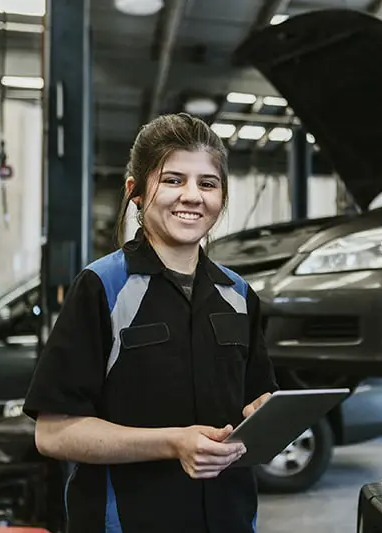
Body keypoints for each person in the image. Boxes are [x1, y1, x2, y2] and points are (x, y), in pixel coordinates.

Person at [23, 113, 278, 533]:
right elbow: (53, 433)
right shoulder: (103, 287)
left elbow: (256, 396)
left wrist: (263, 412)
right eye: (173, 180)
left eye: (207, 184)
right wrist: (172, 443)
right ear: (136, 192)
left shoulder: (238, 294)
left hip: (229, 519)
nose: (192, 196)